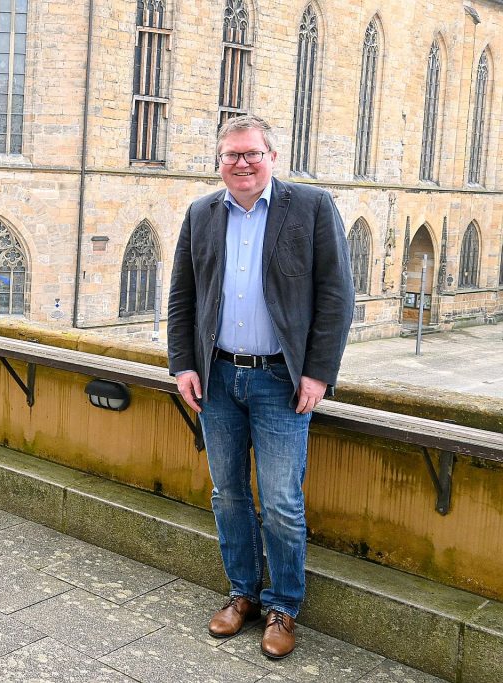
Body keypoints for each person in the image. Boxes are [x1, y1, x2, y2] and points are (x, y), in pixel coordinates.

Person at [167, 115, 354, 659]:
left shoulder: (312, 208)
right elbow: (183, 296)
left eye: (252, 154)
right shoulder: (202, 213)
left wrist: (317, 373)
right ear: (219, 162)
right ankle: (243, 593)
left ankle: (283, 606)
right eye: (232, 155)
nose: (242, 163)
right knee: (227, 494)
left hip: (281, 380)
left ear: (272, 156)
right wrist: (184, 364)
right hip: (218, 377)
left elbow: (336, 299)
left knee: (280, 502)